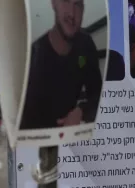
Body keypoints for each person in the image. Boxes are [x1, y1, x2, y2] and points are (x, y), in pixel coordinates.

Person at [19, 0, 102, 130]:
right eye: (66, 1)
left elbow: (98, 95)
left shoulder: (85, 45)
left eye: (78, 4)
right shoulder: (33, 55)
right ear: (53, 3)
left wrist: (82, 111)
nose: (72, 13)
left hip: (69, 141)